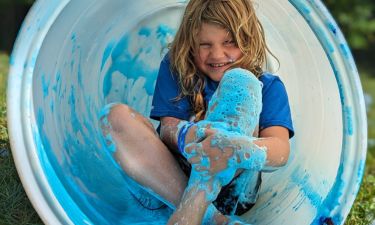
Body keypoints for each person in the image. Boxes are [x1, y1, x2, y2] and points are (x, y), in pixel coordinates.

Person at [99, 0, 294, 224]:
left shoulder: (268, 86)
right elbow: (168, 129)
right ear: (190, 43)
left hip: (231, 193)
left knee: (240, 80)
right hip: (165, 182)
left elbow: (280, 150)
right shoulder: (177, 68)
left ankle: (195, 206)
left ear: (248, 40)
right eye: (205, 44)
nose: (217, 54)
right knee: (115, 117)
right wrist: (193, 137)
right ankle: (212, 218)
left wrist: (234, 147)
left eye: (229, 42)